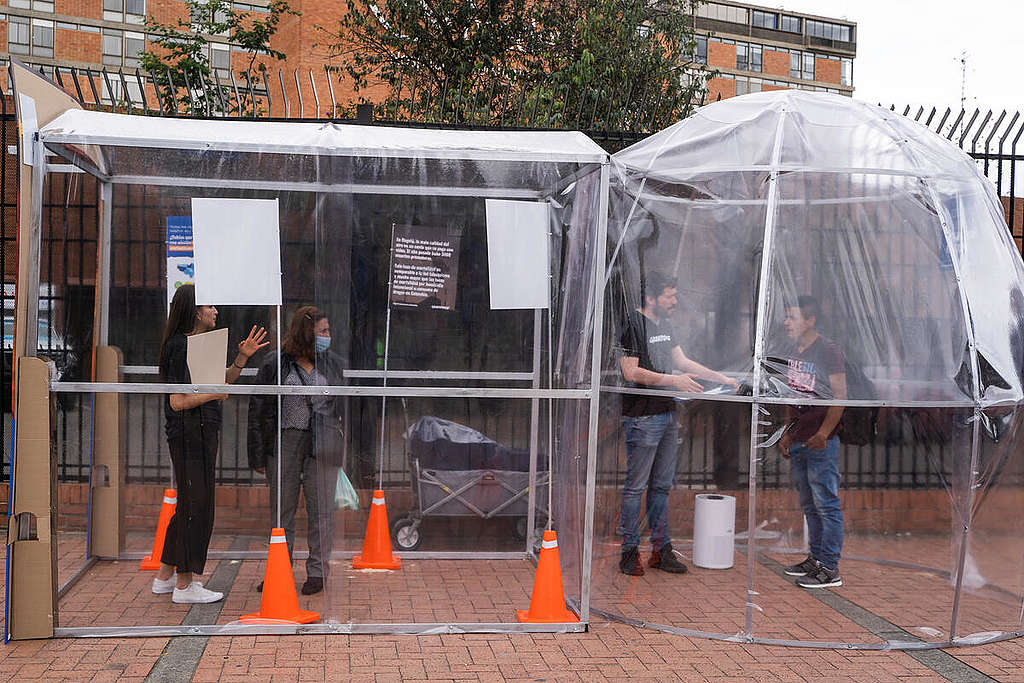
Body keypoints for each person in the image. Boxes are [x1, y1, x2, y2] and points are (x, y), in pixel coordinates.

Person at [617, 271, 738, 576]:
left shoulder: (664, 326)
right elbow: (631, 372)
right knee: (636, 488)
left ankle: (661, 551)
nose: (674, 300)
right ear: (650, 298)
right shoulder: (633, 324)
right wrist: (674, 380)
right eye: (669, 295)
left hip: (666, 415)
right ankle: (630, 552)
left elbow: (682, 362)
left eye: (674, 294)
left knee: (661, 487)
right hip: (643, 418)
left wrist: (719, 377)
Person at [152, 284, 269, 603]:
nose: (216, 311)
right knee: (196, 507)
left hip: (203, 432)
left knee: (191, 503)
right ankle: (185, 584)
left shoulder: (201, 344)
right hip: (188, 433)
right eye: (210, 306)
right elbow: (177, 401)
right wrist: (213, 394)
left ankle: (165, 575)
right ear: (195, 311)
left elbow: (224, 380)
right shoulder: (178, 346)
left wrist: (241, 359)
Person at [248, 306, 346, 596]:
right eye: (323, 331)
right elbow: (258, 409)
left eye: (328, 330)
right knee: (282, 510)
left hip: (323, 441)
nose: (328, 336)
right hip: (285, 438)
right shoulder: (275, 363)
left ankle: (318, 572)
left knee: (321, 510)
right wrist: (258, 453)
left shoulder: (333, 364)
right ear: (306, 333)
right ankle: (279, 569)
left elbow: (344, 407)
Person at [777, 295, 846, 589]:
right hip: (800, 438)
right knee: (809, 503)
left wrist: (824, 433)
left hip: (820, 441)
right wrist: (787, 430)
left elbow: (840, 395)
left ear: (810, 320)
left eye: (792, 317)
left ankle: (829, 567)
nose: (786, 322)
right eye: (786, 316)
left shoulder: (828, 351)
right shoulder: (795, 351)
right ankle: (815, 558)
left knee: (826, 503)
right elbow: (792, 394)